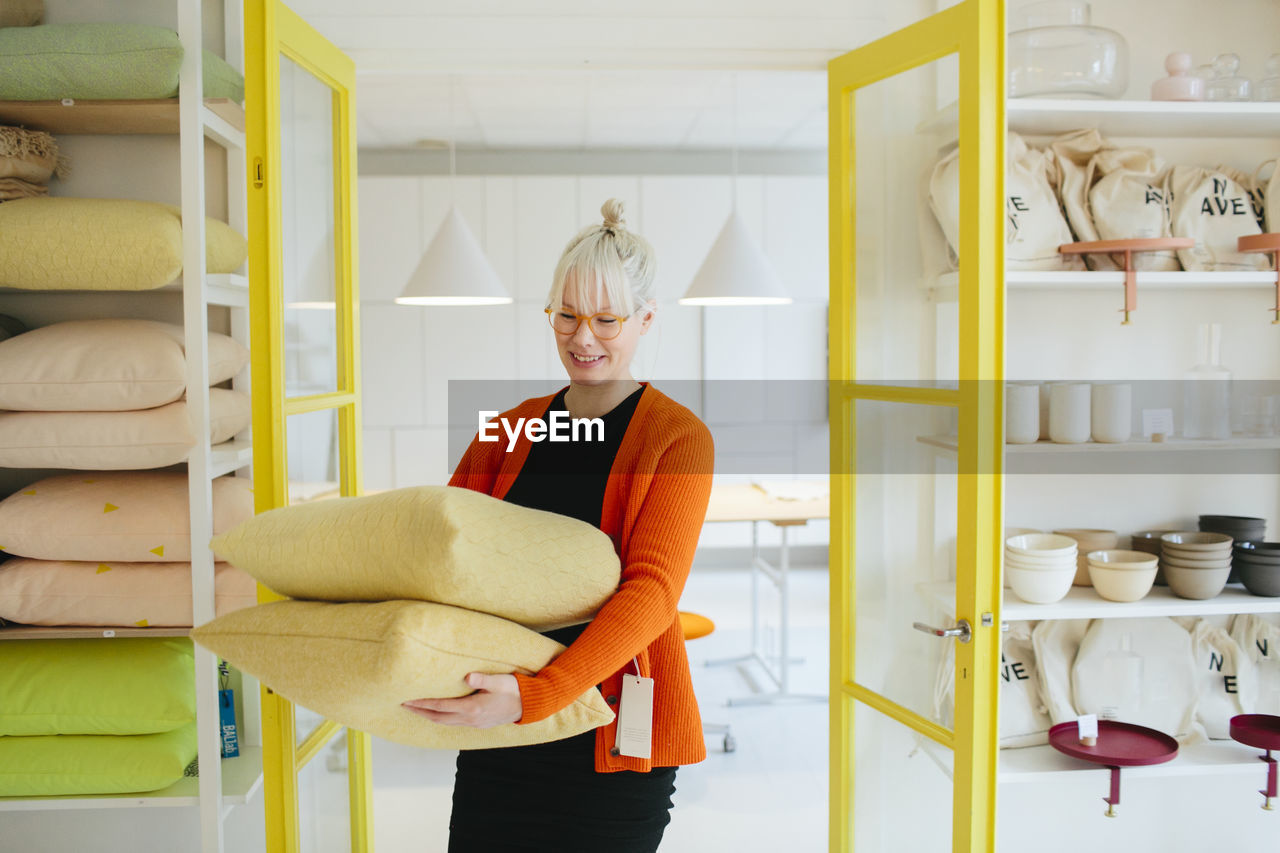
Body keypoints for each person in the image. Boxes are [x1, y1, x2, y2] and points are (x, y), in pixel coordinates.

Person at [401, 198, 715, 852]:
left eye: (606, 318)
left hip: (607, 735)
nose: (582, 338)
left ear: (647, 319)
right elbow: (443, 551)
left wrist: (537, 695)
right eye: (566, 315)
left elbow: (651, 594)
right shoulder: (509, 428)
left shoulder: (677, 439)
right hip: (506, 733)